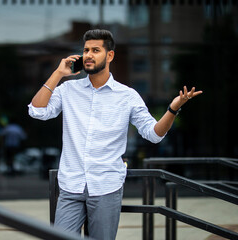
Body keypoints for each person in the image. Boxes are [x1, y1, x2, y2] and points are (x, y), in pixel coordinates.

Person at [28, 29, 202, 239]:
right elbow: (36, 111)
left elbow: (154, 134)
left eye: (96, 50)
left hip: (106, 186)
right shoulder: (68, 90)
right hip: (71, 186)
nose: (89, 55)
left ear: (110, 55)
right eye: (86, 50)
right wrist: (58, 74)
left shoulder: (127, 96)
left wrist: (173, 109)